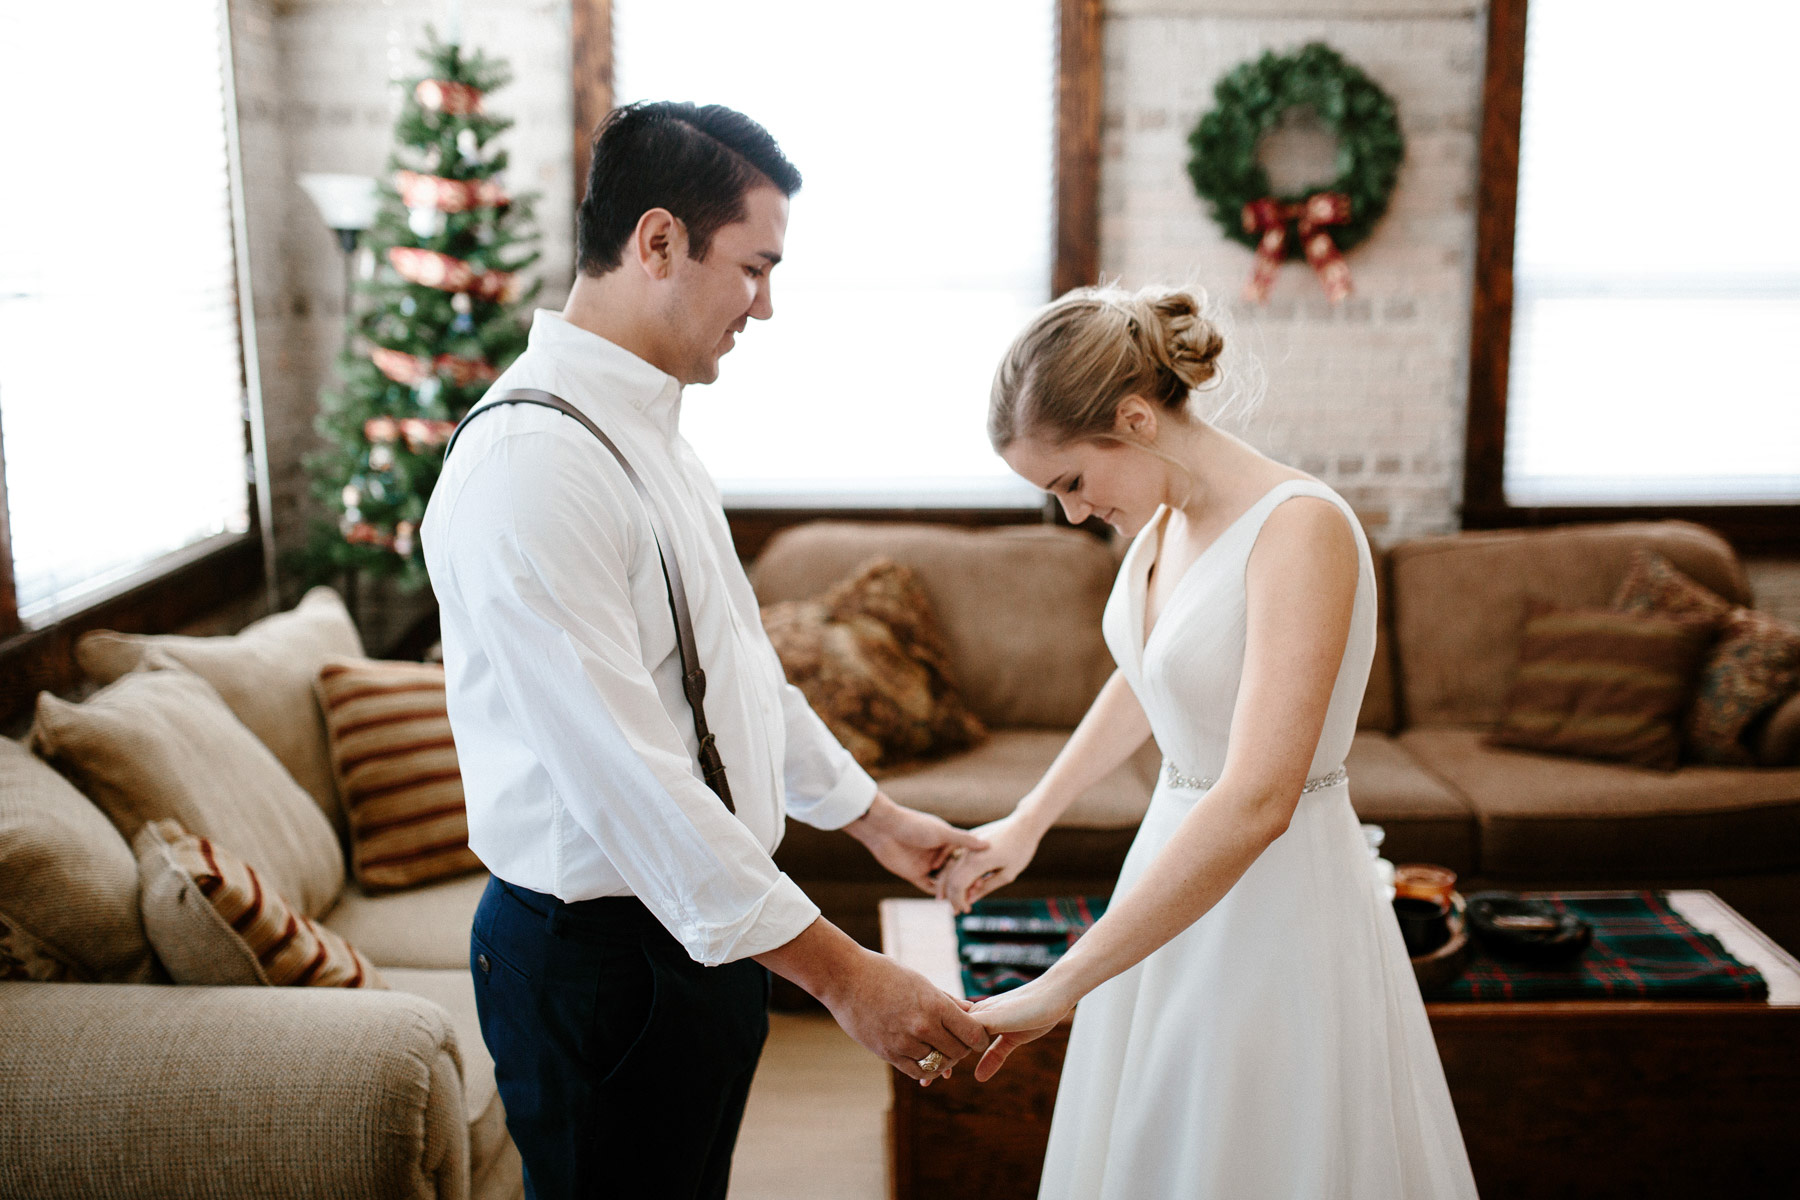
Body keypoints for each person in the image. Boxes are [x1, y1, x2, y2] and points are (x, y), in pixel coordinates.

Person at [420, 101, 989, 1200]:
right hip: (600, 959)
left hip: (704, 930)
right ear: (660, 241)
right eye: (755, 268)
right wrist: (846, 977)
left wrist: (876, 820)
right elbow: (630, 782)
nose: (766, 306)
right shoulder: (531, 466)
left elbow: (737, 673)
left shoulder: (653, 435)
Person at [934, 284, 1479, 1198]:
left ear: (1136, 418)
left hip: (1275, 899)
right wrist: (1028, 821)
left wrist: (1066, 979)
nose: (1072, 514)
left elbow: (1261, 798)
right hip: (1172, 867)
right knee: (1157, 1139)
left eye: (1070, 482)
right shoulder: (1161, 522)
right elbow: (1151, 676)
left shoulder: (1301, 529)